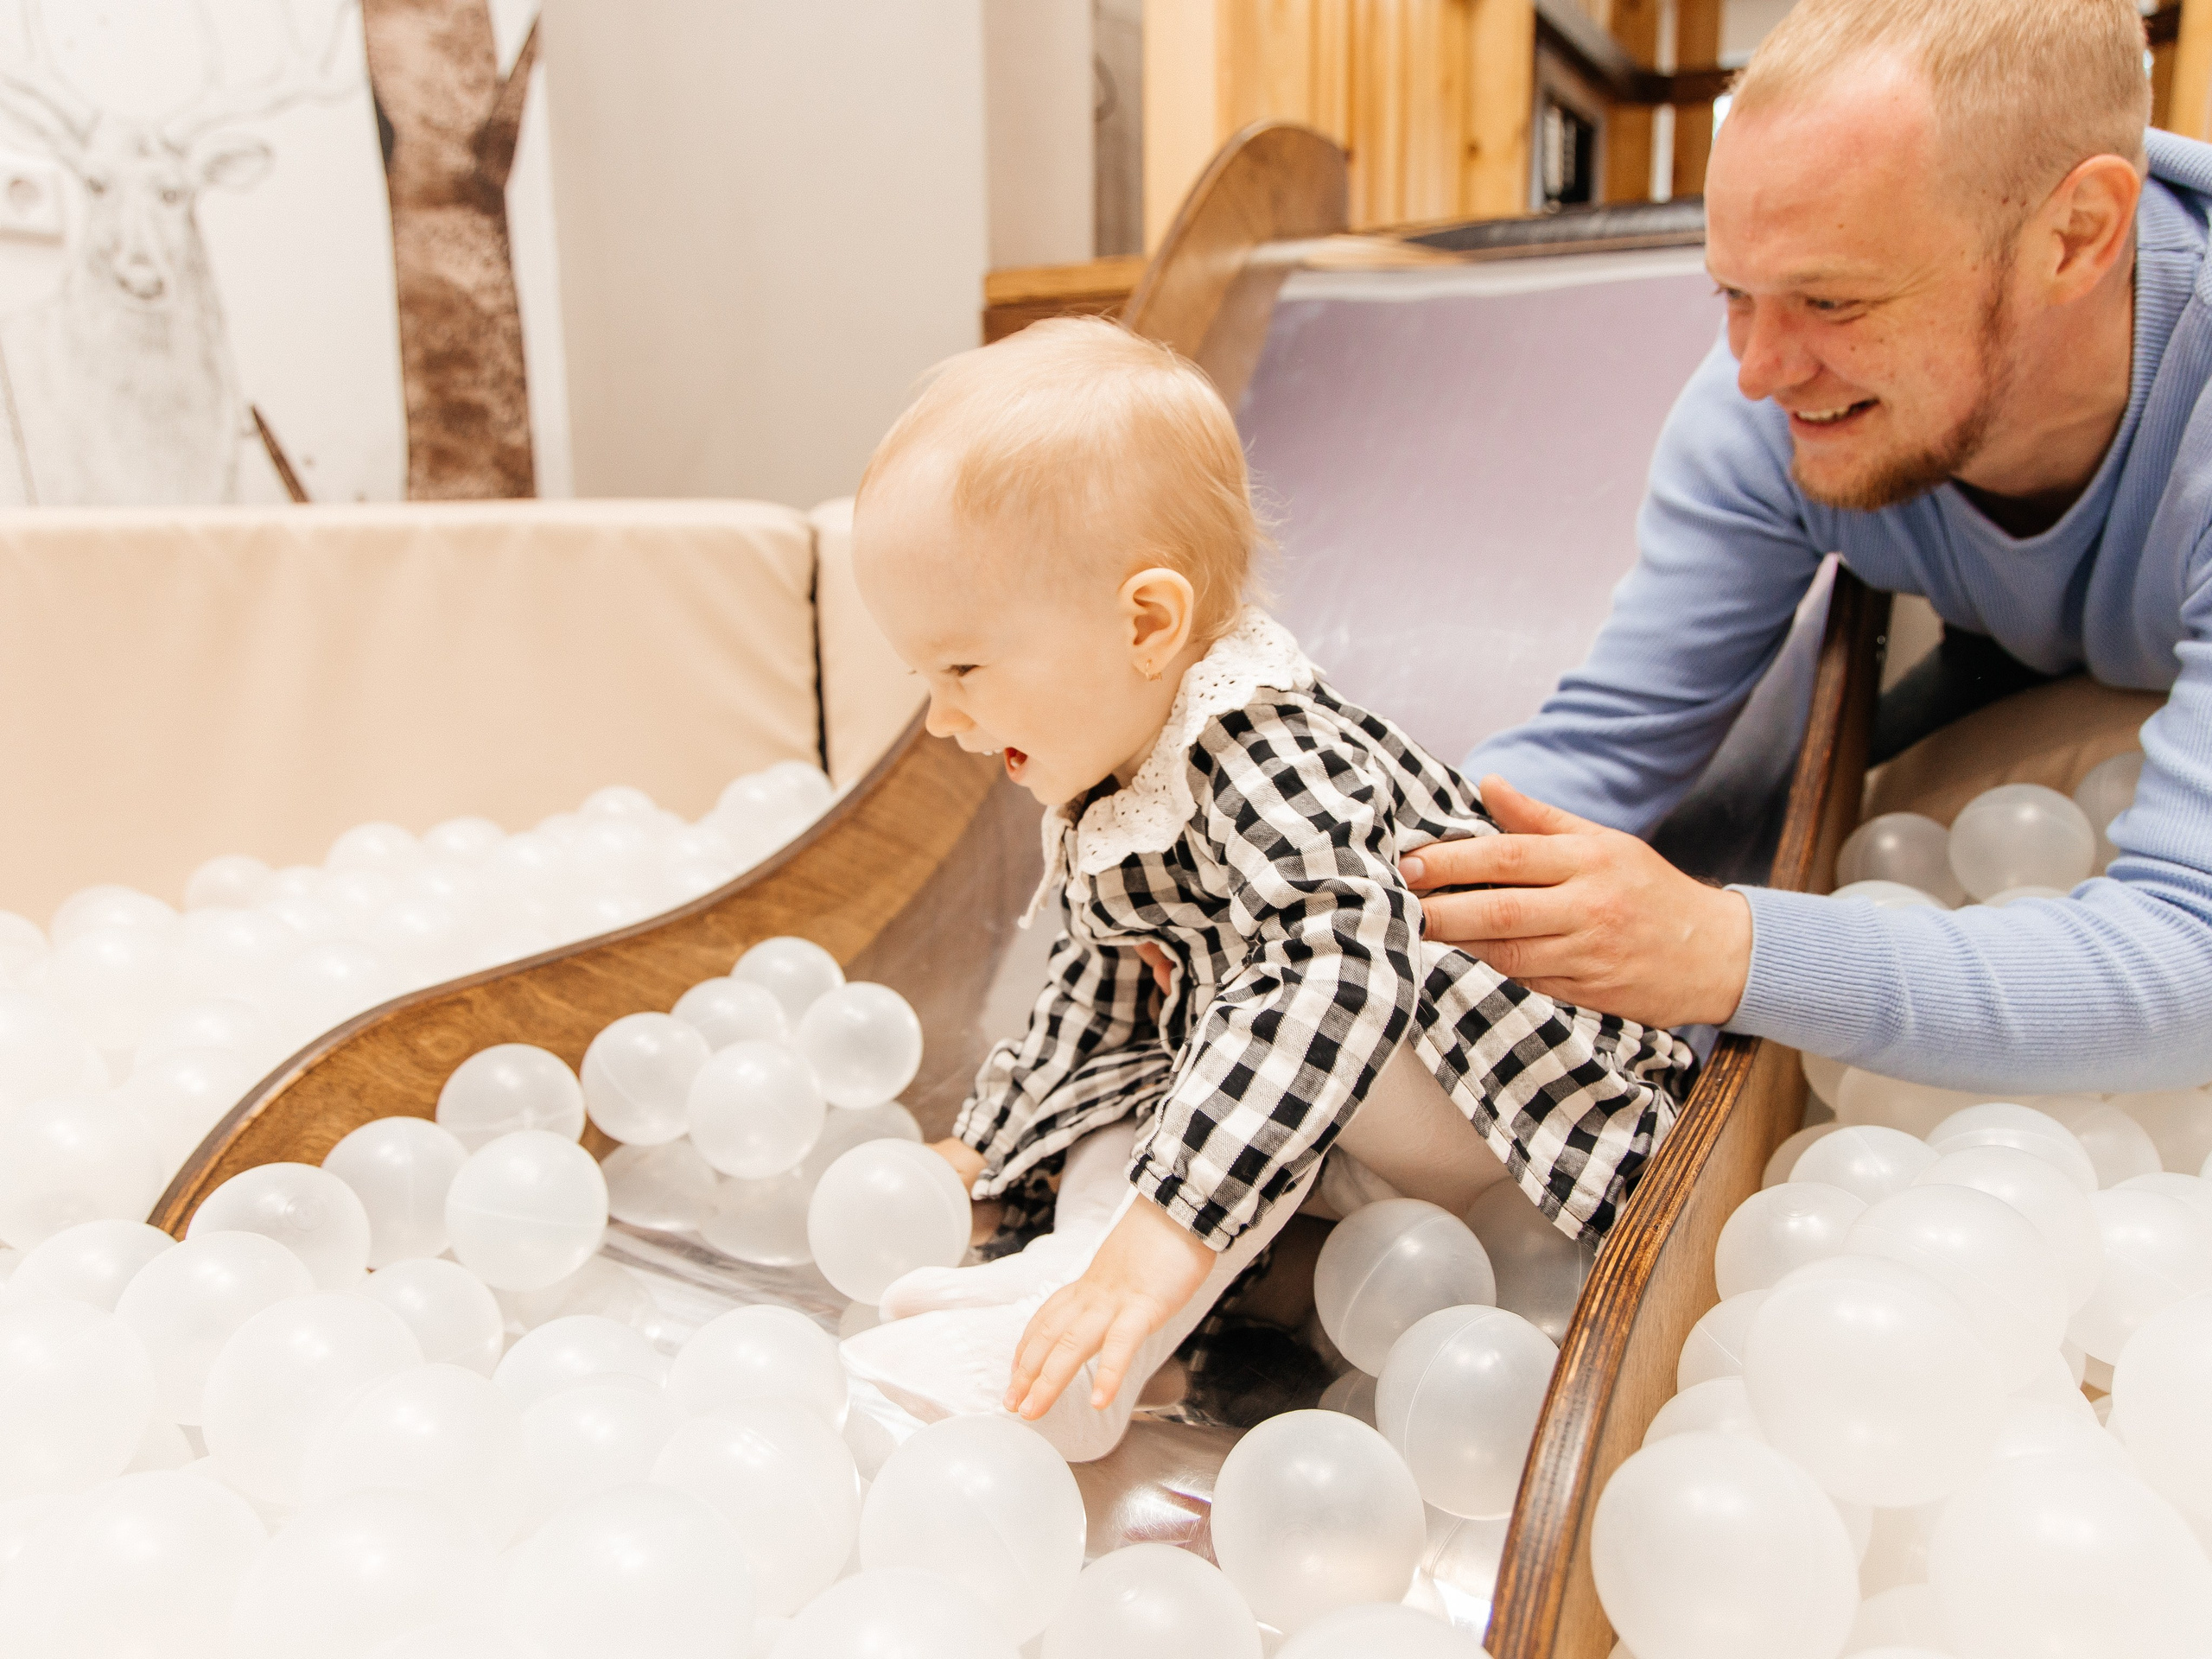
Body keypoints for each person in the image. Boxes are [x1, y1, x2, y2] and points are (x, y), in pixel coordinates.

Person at [836, 318, 1694, 1453]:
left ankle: (1111, 1316)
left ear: (1146, 622)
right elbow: (1092, 1007)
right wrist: (994, 1146)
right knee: (1152, 1045)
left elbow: (1331, 976)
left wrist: (1172, 1226)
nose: (941, 719)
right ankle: (1071, 1272)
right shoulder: (1114, 783)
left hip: (1503, 1119)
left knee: (1243, 1023)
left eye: (962, 669)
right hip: (1362, 1157)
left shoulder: (1274, 752)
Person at [1408, 0, 2212, 1094]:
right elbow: (1608, 742)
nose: (1758, 368)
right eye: (1733, 293)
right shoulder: (1767, 413)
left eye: (1832, 299)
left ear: (2074, 237)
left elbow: (2188, 956)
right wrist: (1343, 882)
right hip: (2034, 653)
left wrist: (1725, 949)